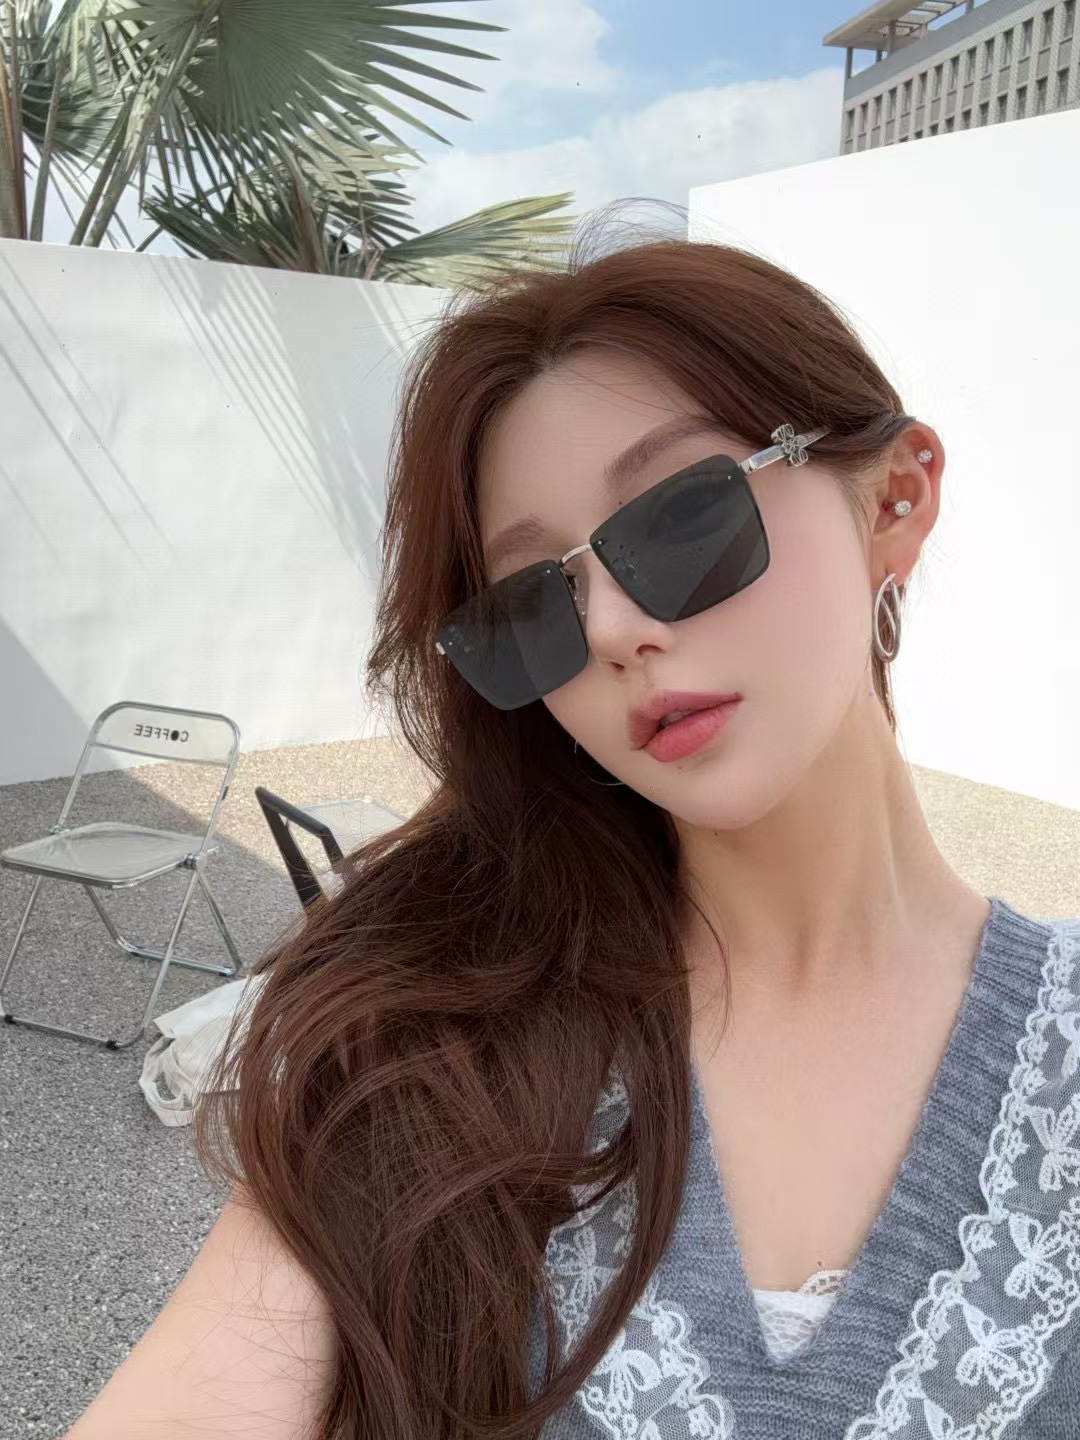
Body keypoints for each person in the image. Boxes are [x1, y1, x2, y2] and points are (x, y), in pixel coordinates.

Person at [65, 209, 1080, 1440]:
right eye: (534, 603)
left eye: (679, 520)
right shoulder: (430, 1031)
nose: (610, 632)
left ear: (895, 500)